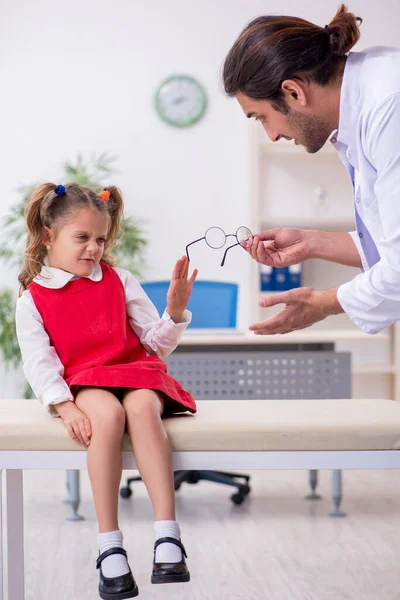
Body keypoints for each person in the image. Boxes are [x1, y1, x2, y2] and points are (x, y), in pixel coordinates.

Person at [15, 182, 198, 599]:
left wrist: (173, 311)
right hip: (86, 381)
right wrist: (65, 407)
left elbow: (154, 342)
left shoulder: (119, 279)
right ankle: (109, 545)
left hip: (136, 372)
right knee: (108, 416)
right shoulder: (33, 298)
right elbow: (39, 362)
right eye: (82, 238)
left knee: (139, 410)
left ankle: (168, 536)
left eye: (100, 239)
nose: (94, 248)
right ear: (49, 234)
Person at [222, 4, 400, 335]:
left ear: (293, 91)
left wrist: (323, 303)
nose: (272, 135)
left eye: (261, 117)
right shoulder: (365, 95)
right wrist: (311, 242)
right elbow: (389, 245)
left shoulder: (389, 106)